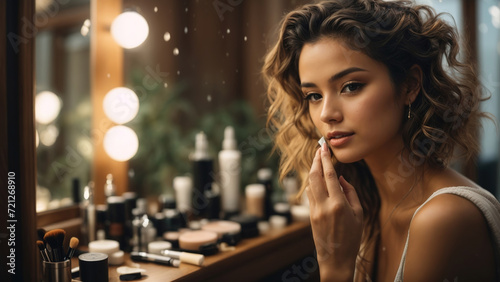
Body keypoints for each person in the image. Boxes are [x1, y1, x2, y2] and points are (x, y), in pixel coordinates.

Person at [263, 0, 500, 281]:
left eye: (351, 86)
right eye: (314, 95)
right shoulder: (364, 207)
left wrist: (335, 266)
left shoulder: (443, 219)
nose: (326, 114)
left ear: (410, 85)